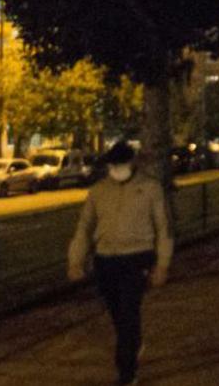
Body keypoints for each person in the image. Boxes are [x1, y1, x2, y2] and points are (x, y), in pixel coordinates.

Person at [68, 141, 173, 386]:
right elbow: (84, 228)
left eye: (120, 163)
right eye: (112, 164)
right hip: (106, 261)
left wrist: (162, 264)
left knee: (128, 312)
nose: (116, 169)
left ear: (131, 163)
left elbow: (163, 228)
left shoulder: (150, 188)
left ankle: (127, 373)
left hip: (137, 257)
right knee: (118, 314)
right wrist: (76, 261)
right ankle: (133, 343)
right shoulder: (99, 191)